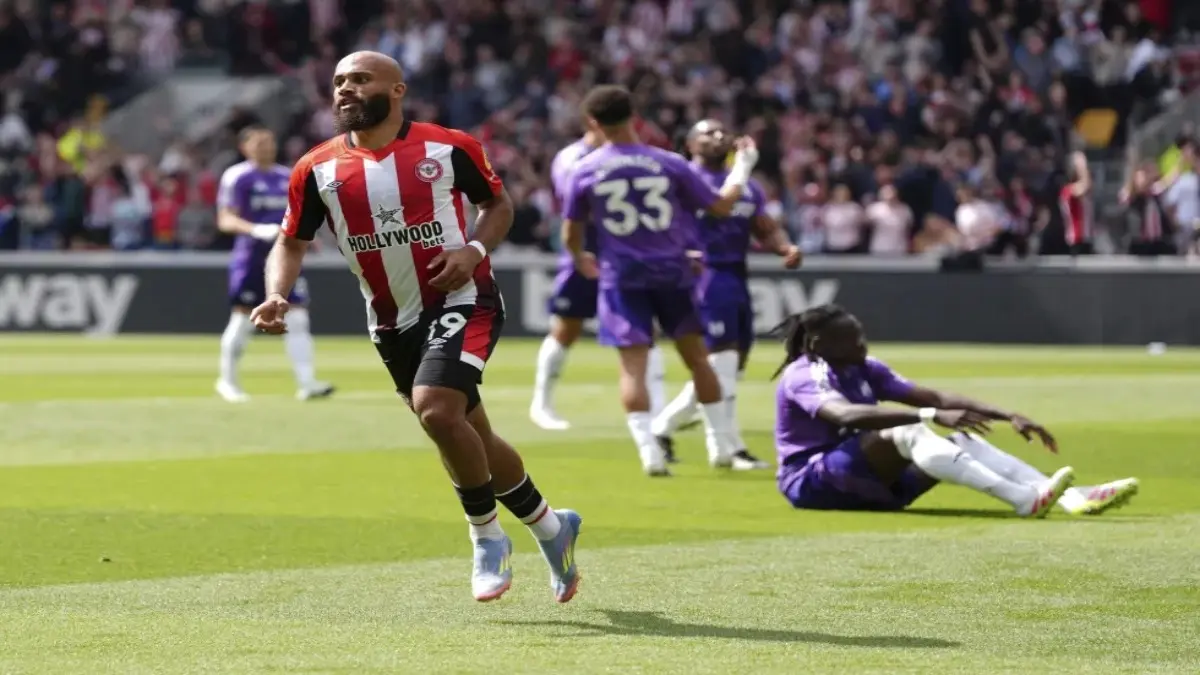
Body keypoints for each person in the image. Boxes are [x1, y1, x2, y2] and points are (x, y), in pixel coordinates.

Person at [250, 51, 581, 604]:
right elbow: (291, 240)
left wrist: (473, 250)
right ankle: (551, 527)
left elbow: (496, 205)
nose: (345, 90)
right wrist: (276, 294)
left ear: (397, 89)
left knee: (436, 408)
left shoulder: (448, 146)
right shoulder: (316, 168)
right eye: (338, 82)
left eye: (360, 79)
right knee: (465, 430)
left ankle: (486, 538)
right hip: (390, 321)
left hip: (464, 298)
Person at [560, 85, 757, 475]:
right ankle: (720, 447)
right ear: (635, 116)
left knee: (633, 367)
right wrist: (744, 166)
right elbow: (720, 205)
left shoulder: (584, 169)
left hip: (622, 276)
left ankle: (650, 451)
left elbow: (571, 232)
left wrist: (580, 258)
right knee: (699, 360)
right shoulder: (669, 163)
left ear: (593, 123)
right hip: (673, 272)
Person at [773, 304, 1138, 515]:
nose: (862, 344)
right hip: (811, 482)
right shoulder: (804, 374)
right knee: (912, 431)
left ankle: (1074, 500)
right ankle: (1023, 500)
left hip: (876, 485)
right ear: (821, 344)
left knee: (967, 442)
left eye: (861, 335)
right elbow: (844, 416)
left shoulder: (865, 367)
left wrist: (1007, 414)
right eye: (852, 339)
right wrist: (927, 417)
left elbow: (935, 398)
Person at [651, 119, 801, 471]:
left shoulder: (747, 186)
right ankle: (727, 449)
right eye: (707, 133)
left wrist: (784, 247)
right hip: (702, 274)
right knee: (722, 365)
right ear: (689, 144)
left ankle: (663, 427)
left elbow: (762, 224)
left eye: (722, 132)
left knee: (727, 368)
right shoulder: (683, 177)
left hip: (735, 275)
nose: (718, 137)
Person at [529, 131, 671, 431]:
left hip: (627, 252)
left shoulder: (630, 156)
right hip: (586, 250)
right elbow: (577, 201)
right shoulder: (573, 157)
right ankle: (542, 405)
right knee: (567, 327)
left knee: (646, 330)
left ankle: (657, 410)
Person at [215, 126, 334, 403]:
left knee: (298, 317)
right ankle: (227, 381)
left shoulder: (287, 176)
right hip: (251, 257)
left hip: (285, 256)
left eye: (269, 142)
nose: (266, 147)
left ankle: (307, 383)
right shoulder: (237, 176)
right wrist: (256, 229)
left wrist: (308, 238)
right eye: (258, 143)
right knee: (243, 317)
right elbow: (225, 219)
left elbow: (301, 214)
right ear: (245, 147)